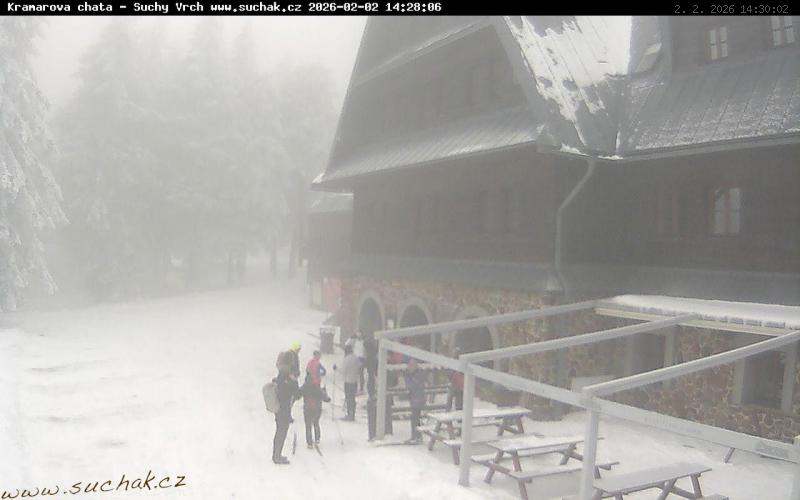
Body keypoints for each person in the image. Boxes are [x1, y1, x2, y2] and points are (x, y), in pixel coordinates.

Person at [272, 366, 299, 464]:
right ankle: (277, 456)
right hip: (283, 412)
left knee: (280, 432)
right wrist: (295, 384)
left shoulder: (281, 380)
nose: (295, 378)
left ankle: (276, 454)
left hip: (280, 411)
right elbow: (296, 395)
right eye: (295, 376)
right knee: (281, 433)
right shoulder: (287, 384)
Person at [300, 375, 329, 447]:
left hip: (307, 408)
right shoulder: (317, 387)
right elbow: (325, 398)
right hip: (317, 408)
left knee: (308, 425)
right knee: (316, 422)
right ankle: (317, 438)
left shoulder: (304, 387)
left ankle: (309, 441)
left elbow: (298, 394)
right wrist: (326, 397)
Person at [403, 359, 427, 443]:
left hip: (418, 398)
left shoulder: (417, 375)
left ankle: (416, 436)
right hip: (413, 399)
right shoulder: (409, 375)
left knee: (415, 418)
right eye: (409, 365)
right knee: (414, 418)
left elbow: (414, 386)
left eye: (412, 365)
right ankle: (416, 436)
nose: (410, 367)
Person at [341, 345, 360, 421]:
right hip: (354, 381)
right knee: (353, 398)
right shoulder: (356, 358)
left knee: (348, 398)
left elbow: (343, 370)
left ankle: (349, 414)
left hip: (348, 381)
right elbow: (359, 368)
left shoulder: (347, 359)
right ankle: (353, 414)